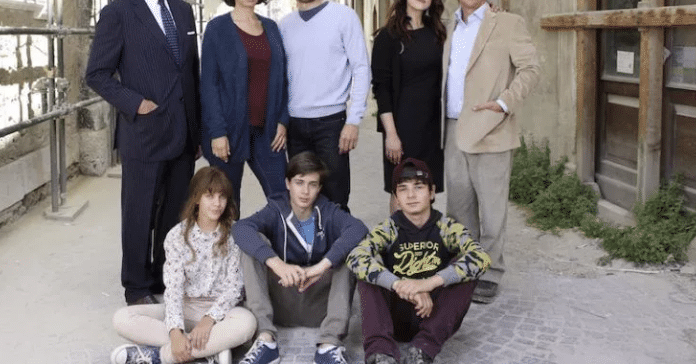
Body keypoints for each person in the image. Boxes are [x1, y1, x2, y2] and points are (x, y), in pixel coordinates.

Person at [85, 0, 201, 305]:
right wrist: (136, 104)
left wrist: (197, 130)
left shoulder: (182, 10)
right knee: (140, 211)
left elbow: (191, 72)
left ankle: (164, 278)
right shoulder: (118, 13)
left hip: (183, 133)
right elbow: (97, 74)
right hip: (144, 132)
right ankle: (136, 287)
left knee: (174, 213)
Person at [442, 0, 540, 303]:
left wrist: (503, 103)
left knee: (492, 210)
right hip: (452, 129)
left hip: (492, 128)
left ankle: (491, 272)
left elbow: (530, 69)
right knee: (459, 208)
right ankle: (467, 266)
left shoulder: (508, 23)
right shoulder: (448, 28)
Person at [346, 158, 490, 364]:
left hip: (433, 314)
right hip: (394, 315)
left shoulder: (446, 227)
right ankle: (380, 353)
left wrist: (427, 284)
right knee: (367, 273)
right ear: (396, 198)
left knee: (467, 271)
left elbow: (482, 258)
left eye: (419, 187)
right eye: (403, 189)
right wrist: (399, 285)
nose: (411, 195)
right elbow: (355, 257)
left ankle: (422, 350)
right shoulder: (389, 228)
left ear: (432, 192)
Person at [232, 152, 368, 364]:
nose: (305, 191)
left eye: (312, 184)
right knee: (253, 245)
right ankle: (266, 341)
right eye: (299, 182)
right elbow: (240, 228)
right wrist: (277, 264)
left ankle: (329, 345)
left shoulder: (328, 211)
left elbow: (358, 229)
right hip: (281, 299)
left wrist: (321, 267)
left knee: (350, 250)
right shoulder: (276, 209)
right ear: (288, 184)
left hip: (319, 305)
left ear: (319, 188)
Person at [111, 167, 256, 364]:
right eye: (209, 196)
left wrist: (208, 320)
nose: (217, 203)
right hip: (186, 307)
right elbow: (173, 289)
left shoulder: (235, 233)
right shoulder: (177, 236)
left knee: (247, 323)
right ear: (196, 198)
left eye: (222, 197)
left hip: (221, 312)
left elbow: (235, 287)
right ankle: (210, 349)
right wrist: (175, 332)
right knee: (122, 318)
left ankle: (161, 356)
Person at [279, 0, 370, 211]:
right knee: (302, 199)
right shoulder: (283, 26)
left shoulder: (343, 17)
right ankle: (309, 239)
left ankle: (338, 240)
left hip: (332, 123)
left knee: (336, 197)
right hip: (295, 125)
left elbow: (361, 68)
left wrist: (353, 120)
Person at [201, 0, 288, 207]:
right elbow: (209, 85)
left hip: (267, 131)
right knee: (227, 206)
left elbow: (282, 78)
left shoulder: (271, 28)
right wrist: (217, 132)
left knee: (283, 197)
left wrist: (283, 120)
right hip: (229, 131)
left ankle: (277, 236)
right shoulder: (217, 29)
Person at [371, 0, 447, 211]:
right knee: (402, 188)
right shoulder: (388, 37)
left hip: (432, 127)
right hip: (402, 126)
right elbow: (381, 90)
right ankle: (398, 235)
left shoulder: (439, 33)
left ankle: (422, 234)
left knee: (426, 189)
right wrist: (391, 134)